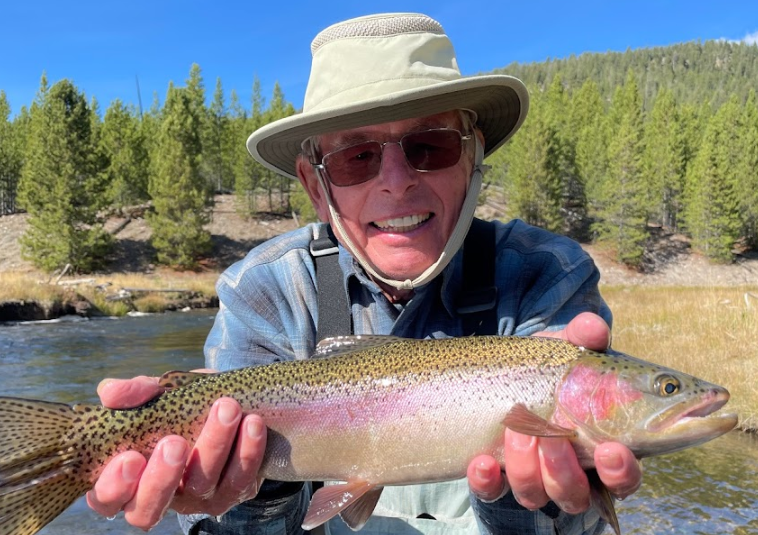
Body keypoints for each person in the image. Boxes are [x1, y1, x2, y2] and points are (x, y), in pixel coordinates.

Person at [87, 12, 642, 535]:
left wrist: (537, 498)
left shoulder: (547, 276)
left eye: (430, 146)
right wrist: (253, 491)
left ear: (472, 160)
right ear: (315, 187)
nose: (396, 182)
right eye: (357, 157)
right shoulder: (264, 289)